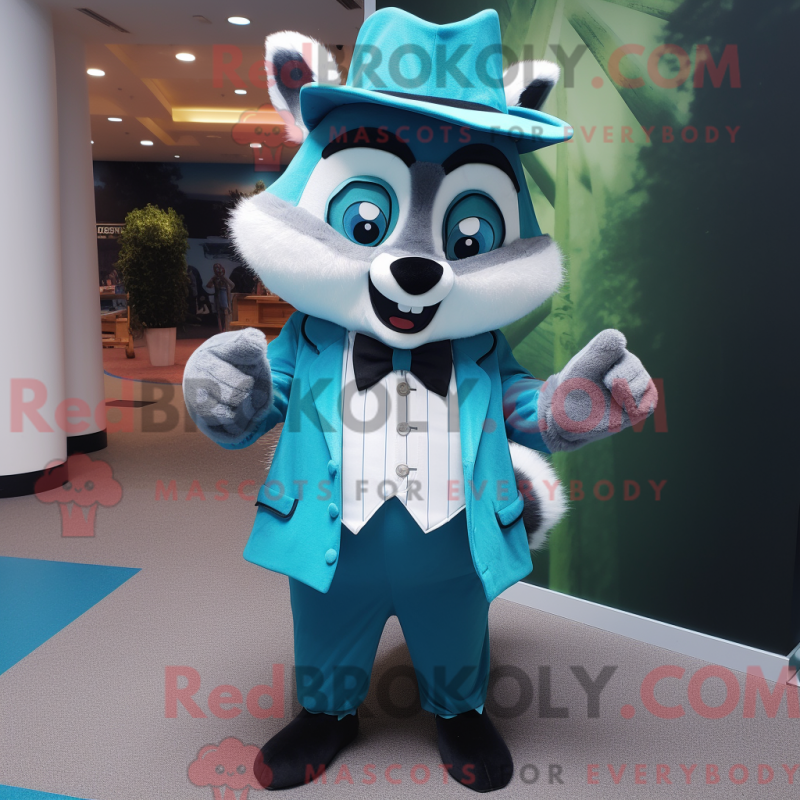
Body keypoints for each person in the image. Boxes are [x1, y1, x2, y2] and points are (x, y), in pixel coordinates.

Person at [206, 263, 235, 333]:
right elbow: (209, 286)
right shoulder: (215, 279)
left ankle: (226, 329)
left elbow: (232, 285)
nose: (217, 270)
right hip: (218, 299)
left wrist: (223, 277)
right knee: (219, 314)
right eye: (216, 268)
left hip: (226, 300)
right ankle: (221, 329)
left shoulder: (225, 279)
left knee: (226, 314)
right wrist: (213, 279)